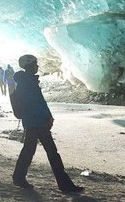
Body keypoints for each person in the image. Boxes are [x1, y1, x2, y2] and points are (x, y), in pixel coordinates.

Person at [11, 54, 83, 193]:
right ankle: (65, 185)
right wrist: (47, 117)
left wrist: (47, 116)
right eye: (35, 64)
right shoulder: (27, 82)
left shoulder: (27, 81)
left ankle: (19, 178)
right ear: (29, 65)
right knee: (51, 153)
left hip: (34, 121)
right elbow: (34, 104)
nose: (37, 66)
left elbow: (36, 103)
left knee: (30, 151)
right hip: (36, 122)